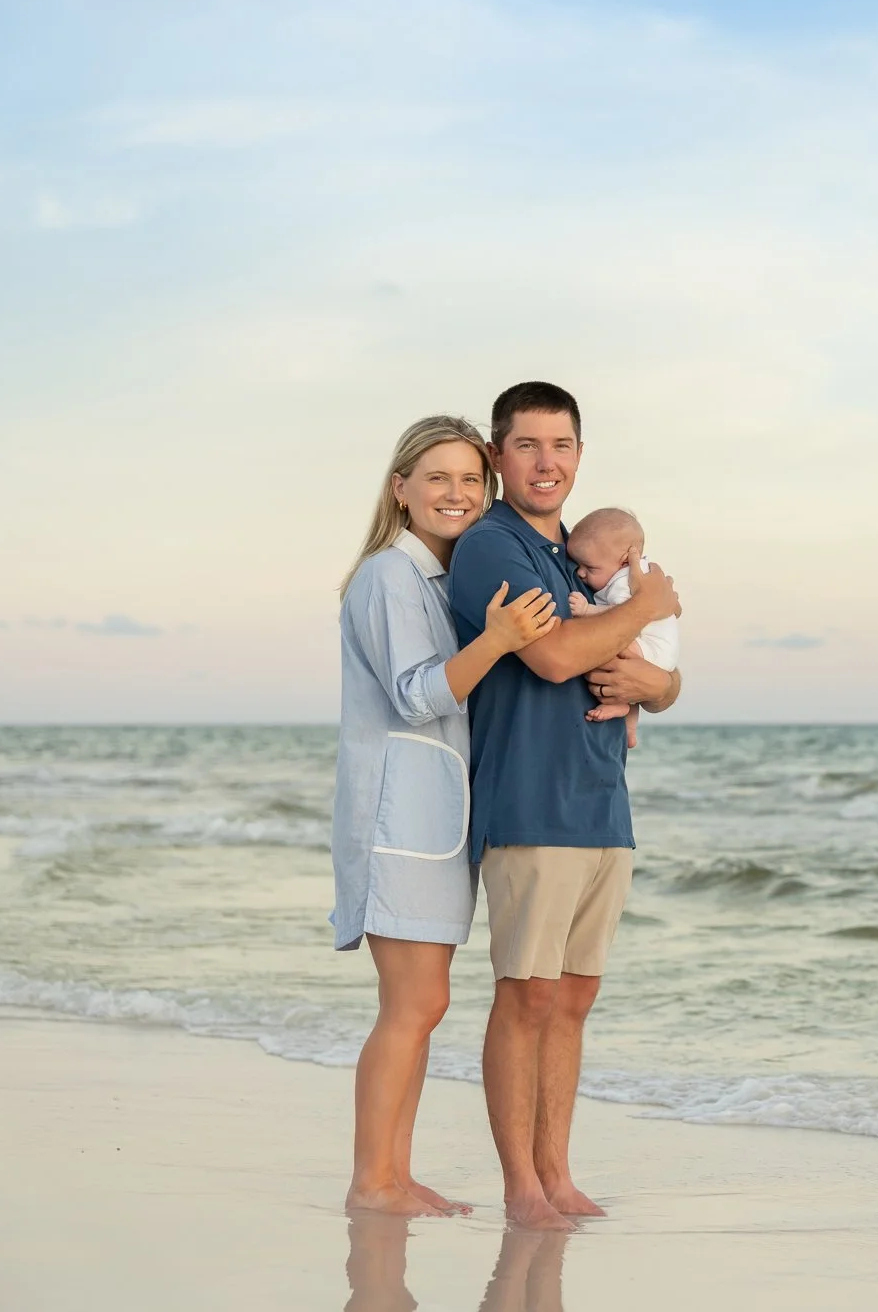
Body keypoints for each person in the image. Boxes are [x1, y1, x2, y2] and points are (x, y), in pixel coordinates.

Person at [448, 381, 683, 1231]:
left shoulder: (582, 558)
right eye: (528, 447)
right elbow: (552, 658)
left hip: (602, 807)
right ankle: (522, 1186)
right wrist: (650, 606)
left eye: (562, 446)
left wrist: (663, 681)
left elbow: (656, 677)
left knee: (575, 999)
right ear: (497, 455)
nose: (547, 464)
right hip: (528, 805)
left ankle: (558, 1174)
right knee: (527, 997)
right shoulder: (491, 547)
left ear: (580, 455)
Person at [331, 415, 559, 1217]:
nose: (456, 493)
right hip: (397, 817)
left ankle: (395, 1173)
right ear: (401, 490)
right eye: (437, 478)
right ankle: (372, 1180)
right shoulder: (388, 577)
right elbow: (416, 693)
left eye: (470, 480)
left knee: (425, 1004)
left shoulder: (437, 577)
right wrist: (497, 639)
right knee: (412, 1005)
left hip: (437, 821)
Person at [565, 506, 680, 749]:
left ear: (624, 561)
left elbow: (620, 616)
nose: (581, 573)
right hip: (659, 653)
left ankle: (619, 706)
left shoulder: (625, 580)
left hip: (652, 650)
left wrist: (587, 611)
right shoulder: (634, 573)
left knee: (608, 645)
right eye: (578, 565)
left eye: (590, 568)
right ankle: (629, 729)